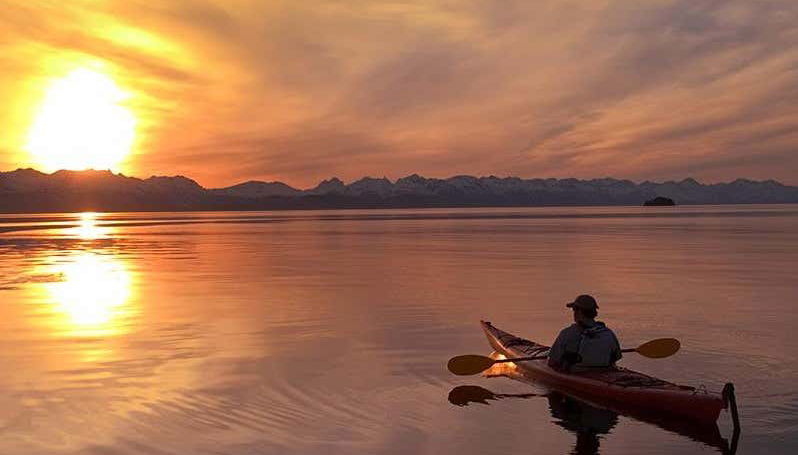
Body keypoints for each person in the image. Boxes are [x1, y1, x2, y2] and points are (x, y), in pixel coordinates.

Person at [548, 294, 622, 372]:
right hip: (604, 373)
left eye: (574, 309)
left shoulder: (567, 333)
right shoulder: (608, 333)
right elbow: (616, 358)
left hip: (577, 373)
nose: (574, 313)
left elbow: (552, 362)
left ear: (579, 311)